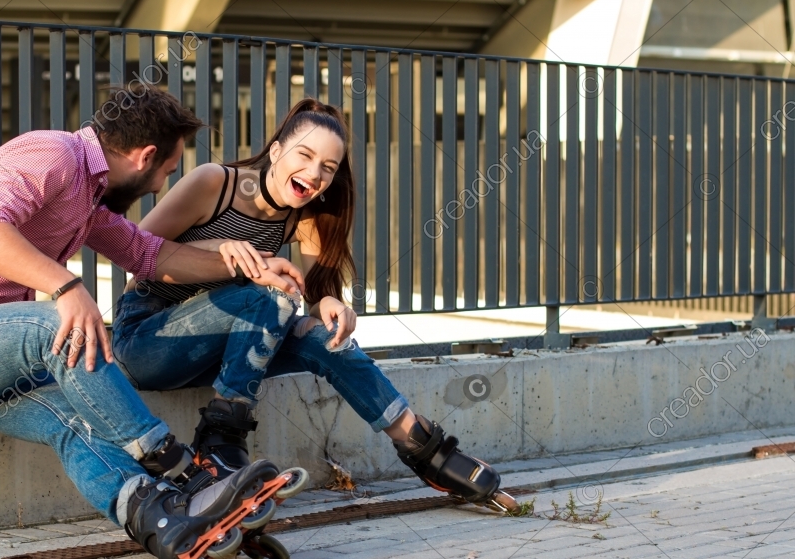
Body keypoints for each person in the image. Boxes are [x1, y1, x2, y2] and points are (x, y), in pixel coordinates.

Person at [0, 86, 306, 559]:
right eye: (165, 171)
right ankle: (182, 469)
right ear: (144, 156)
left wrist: (250, 268)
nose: (160, 185)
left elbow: (150, 256)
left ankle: (165, 520)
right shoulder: (52, 153)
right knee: (59, 322)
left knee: (76, 421)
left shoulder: (88, 199)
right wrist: (67, 287)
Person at [111, 98, 518, 514]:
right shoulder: (216, 183)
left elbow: (314, 298)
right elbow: (133, 252)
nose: (314, 173)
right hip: (148, 339)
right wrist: (222, 250)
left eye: (328, 167)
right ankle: (219, 444)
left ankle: (421, 446)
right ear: (276, 151)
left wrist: (330, 304)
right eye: (304, 155)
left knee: (325, 337)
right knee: (272, 295)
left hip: (221, 348)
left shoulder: (302, 218)